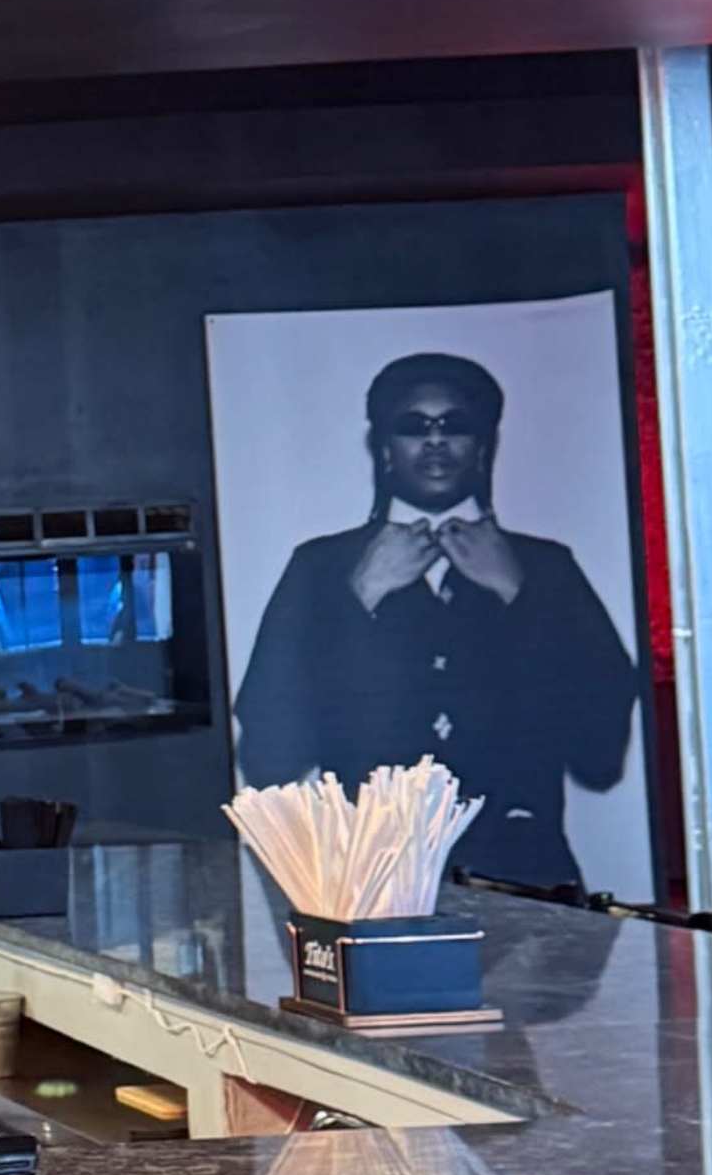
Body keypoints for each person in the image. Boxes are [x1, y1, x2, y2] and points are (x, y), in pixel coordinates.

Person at [231, 347, 640, 895]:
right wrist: (362, 597)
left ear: (482, 447)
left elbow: (599, 751)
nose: (435, 441)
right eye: (413, 426)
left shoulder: (545, 568)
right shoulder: (321, 567)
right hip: (365, 875)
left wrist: (520, 595)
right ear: (383, 448)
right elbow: (269, 753)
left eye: (456, 425)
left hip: (523, 881)